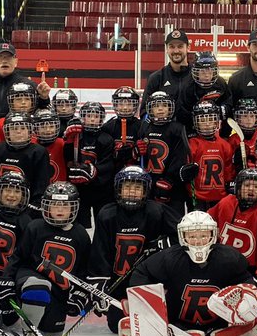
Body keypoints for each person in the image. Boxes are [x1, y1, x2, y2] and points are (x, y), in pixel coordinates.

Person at [121, 211, 257, 336]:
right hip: (179, 325)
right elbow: (142, 273)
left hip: (219, 325)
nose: (198, 241)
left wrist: (245, 298)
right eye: (192, 236)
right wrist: (146, 306)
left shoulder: (228, 257)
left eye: (203, 235)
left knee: (250, 314)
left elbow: (247, 281)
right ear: (183, 237)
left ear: (213, 235)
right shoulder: (170, 258)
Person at [2, 181, 91, 336]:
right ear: (46, 206)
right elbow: (18, 257)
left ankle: (43, 321)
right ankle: (29, 331)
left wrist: (80, 294)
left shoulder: (80, 234)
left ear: (74, 207)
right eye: (55, 205)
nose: (60, 210)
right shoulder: (35, 227)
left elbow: (83, 270)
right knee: (38, 288)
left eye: (65, 206)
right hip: (31, 277)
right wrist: (6, 279)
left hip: (59, 290)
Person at [93, 166, 174, 317]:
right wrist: (99, 284)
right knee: (116, 322)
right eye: (127, 187)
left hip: (150, 282)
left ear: (145, 191)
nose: (132, 191)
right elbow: (99, 251)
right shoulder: (107, 215)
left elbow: (183, 231)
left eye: (137, 188)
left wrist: (165, 243)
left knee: (151, 320)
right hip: (117, 283)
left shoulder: (156, 211)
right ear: (118, 189)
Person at [209, 167, 257, 280]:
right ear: (238, 188)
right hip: (220, 262)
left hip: (248, 268)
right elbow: (207, 222)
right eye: (247, 185)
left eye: (256, 187)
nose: (251, 189)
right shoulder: (226, 203)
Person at [135, 91, 190, 225]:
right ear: (150, 108)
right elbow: (139, 157)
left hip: (172, 186)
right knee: (150, 222)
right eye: (156, 106)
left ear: (171, 108)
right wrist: (136, 151)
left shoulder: (177, 128)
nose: (160, 109)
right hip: (150, 183)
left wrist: (169, 179)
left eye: (164, 105)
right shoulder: (145, 127)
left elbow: (180, 156)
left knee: (174, 222)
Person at [0, 42, 49, 123]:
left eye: (9, 57)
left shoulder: (28, 85)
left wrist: (44, 98)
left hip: (17, 128)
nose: (4, 61)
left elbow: (42, 112)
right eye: (1, 57)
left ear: (16, 61)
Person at [188, 101, 238, 211]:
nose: (207, 124)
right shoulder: (192, 144)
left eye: (211, 119)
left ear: (217, 121)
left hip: (220, 197)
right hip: (198, 197)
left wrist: (229, 185)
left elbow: (228, 172)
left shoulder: (225, 145)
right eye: (202, 120)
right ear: (195, 122)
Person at [144, 29, 190, 104]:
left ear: (188, 48)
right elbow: (145, 109)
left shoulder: (197, 77)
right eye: (172, 47)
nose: (176, 51)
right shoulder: (155, 78)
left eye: (180, 46)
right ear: (167, 49)